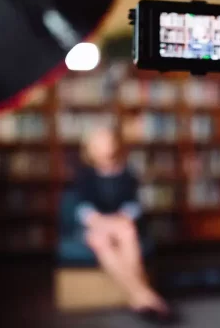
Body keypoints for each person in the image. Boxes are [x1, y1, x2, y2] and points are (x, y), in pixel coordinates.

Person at [73, 125, 171, 319]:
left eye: (108, 141)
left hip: (121, 223)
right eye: (99, 142)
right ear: (90, 147)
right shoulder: (84, 174)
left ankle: (139, 299)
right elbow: (82, 207)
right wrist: (101, 222)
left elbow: (133, 204)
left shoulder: (127, 172)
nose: (105, 146)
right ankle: (145, 296)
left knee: (127, 231)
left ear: (115, 144)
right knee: (101, 240)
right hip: (96, 224)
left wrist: (121, 219)